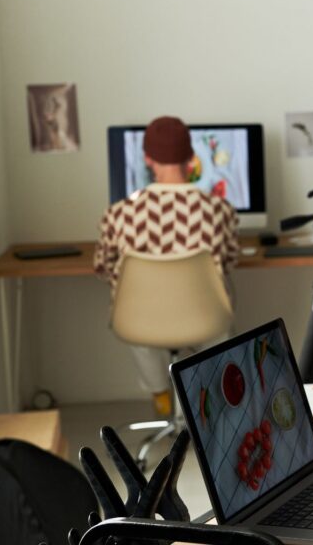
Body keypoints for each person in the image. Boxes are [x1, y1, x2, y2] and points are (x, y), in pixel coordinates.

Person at [94, 116, 239, 416]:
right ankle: (209, 399)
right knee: (220, 311)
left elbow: (103, 267)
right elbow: (228, 262)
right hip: (203, 321)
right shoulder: (218, 210)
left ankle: (160, 392)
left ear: (148, 158)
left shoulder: (119, 214)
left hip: (143, 323)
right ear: (190, 156)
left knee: (130, 305)